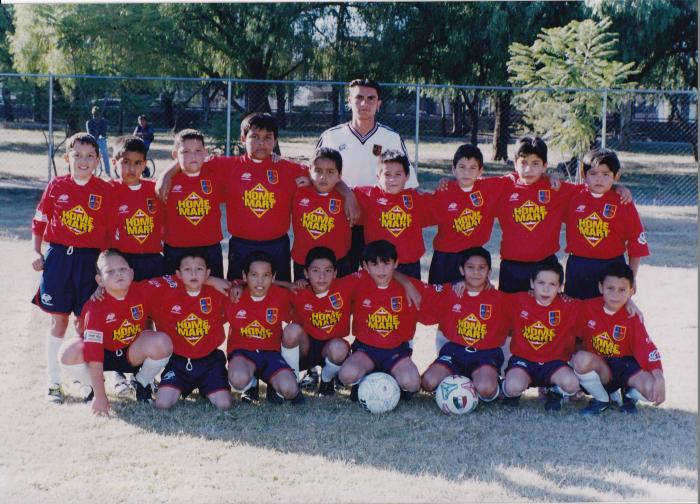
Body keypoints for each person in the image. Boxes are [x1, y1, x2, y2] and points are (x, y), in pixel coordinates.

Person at [31, 132, 112, 403]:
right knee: (59, 320)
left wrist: (103, 267)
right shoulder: (56, 185)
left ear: (99, 159)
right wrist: (35, 251)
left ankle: (83, 381)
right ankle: (53, 383)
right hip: (58, 259)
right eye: (77, 155)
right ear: (67, 158)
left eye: (90, 156)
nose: (83, 161)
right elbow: (40, 221)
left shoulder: (103, 190)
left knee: (84, 321)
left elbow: (109, 232)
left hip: (88, 261)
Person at [316, 78, 417, 272]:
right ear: (349, 100)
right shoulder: (331, 136)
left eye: (371, 98)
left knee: (376, 280)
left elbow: (408, 183)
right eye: (359, 97)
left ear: (379, 104)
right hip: (339, 217)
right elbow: (317, 176)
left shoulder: (391, 138)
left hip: (379, 222)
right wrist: (347, 193)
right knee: (342, 279)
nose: (364, 103)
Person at [58, 250, 172, 415]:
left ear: (132, 273)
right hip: (103, 354)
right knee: (67, 353)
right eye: (109, 271)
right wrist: (100, 396)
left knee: (163, 342)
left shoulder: (144, 289)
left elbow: (176, 280)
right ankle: (91, 388)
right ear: (99, 280)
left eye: (123, 269)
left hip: (132, 353)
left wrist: (210, 281)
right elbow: (94, 355)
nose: (118, 274)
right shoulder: (94, 307)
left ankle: (142, 382)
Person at [338, 240, 430, 401]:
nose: (381, 270)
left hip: (396, 351)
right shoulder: (357, 281)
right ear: (365, 266)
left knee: (413, 383)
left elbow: (442, 295)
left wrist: (468, 285)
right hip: (366, 349)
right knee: (346, 375)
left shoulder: (410, 286)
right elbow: (328, 287)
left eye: (386, 264)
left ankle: (387, 379)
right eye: (374, 264)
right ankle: (364, 380)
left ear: (396, 264)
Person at [572, 263, 664, 415]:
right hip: (601, 366)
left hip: (625, 366)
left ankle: (628, 393)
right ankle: (602, 400)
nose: (615, 295)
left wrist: (660, 378)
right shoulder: (586, 307)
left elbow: (647, 349)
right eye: (610, 288)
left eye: (622, 290)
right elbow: (559, 304)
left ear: (631, 291)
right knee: (580, 359)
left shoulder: (632, 316)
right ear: (601, 287)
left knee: (652, 389)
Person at [420, 247, 509, 404]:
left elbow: (529, 307)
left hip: (485, 354)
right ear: (461, 270)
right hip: (455, 351)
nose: (476, 272)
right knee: (428, 382)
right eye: (470, 267)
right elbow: (421, 291)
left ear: (489, 273)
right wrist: (398, 276)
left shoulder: (500, 299)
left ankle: (492, 382)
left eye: (481, 268)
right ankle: (460, 380)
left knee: (486, 389)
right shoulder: (451, 291)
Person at [148, 254, 232, 411]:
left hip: (209, 361)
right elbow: (135, 288)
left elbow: (246, 285)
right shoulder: (167, 292)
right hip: (178, 362)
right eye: (187, 270)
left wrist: (212, 281)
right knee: (162, 404)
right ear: (178, 274)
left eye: (199, 269)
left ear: (208, 273)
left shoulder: (218, 292)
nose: (193, 274)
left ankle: (208, 385)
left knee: (224, 404)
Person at [564, 148, 649, 299]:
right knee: (575, 314)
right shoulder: (572, 195)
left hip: (612, 266)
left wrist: (632, 276)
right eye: (593, 174)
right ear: (584, 174)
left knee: (608, 315)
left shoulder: (623, 201)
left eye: (605, 174)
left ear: (616, 176)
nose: (599, 179)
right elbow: (544, 182)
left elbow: (636, 242)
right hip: (578, 265)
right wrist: (549, 175)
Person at [226, 251, 304, 404]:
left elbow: (303, 293)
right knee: (238, 380)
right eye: (254, 275)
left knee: (289, 389)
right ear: (244, 276)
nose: (260, 281)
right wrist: (238, 284)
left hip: (271, 353)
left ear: (273, 277)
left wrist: (288, 284)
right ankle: (251, 384)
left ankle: (281, 382)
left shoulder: (281, 296)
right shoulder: (233, 295)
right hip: (243, 353)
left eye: (266, 275)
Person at [501, 261, 581, 411]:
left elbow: (601, 307)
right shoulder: (519, 300)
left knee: (572, 385)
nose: (546, 289)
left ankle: (555, 392)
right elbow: (488, 298)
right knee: (513, 387)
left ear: (560, 287)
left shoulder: (568, 306)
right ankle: (510, 392)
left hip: (554, 363)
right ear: (532, 283)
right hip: (524, 361)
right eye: (541, 283)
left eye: (552, 284)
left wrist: (628, 301)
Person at [426, 145, 509, 285]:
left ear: (480, 170)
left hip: (473, 257)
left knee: (470, 302)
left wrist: (547, 175)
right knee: (439, 300)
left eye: (472, 168)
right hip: (445, 257)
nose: (467, 173)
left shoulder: (488, 188)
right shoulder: (444, 191)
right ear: (453, 169)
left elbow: (519, 177)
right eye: (462, 167)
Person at [284, 247, 355, 396]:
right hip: (305, 348)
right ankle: (292, 381)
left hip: (330, 349)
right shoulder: (299, 291)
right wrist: (289, 285)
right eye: (315, 271)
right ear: (306, 273)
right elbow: (266, 284)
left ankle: (326, 380)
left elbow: (376, 271)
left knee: (339, 347)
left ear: (335, 273)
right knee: (291, 330)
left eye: (328, 271)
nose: (321, 276)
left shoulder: (345, 286)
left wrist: (406, 284)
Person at [353, 150, 430, 280]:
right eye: (387, 174)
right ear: (378, 176)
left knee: (410, 299)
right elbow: (336, 189)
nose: (392, 179)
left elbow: (446, 201)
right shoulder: (367, 195)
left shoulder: (415, 198)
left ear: (407, 176)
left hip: (409, 266)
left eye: (398, 174)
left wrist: (443, 185)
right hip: (378, 266)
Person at [161, 128, 226, 278]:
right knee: (175, 292)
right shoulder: (166, 183)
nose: (193, 156)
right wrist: (166, 174)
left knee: (215, 291)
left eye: (198, 150)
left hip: (209, 247)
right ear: (175, 155)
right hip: (176, 248)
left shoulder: (215, 173)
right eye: (186, 152)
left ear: (205, 153)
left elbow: (247, 161)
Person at [291, 148, 352, 281]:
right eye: (318, 171)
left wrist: (349, 194)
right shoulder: (297, 191)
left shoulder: (348, 198)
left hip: (337, 262)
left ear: (339, 175)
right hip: (303, 262)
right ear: (309, 171)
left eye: (330, 172)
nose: (323, 177)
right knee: (304, 300)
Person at [108, 136, 164, 281]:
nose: (132, 168)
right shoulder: (108, 189)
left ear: (144, 164)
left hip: (152, 259)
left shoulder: (155, 189)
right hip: (122, 260)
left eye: (137, 163)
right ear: (114, 162)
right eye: (126, 162)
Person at [86, 106, 110, 177]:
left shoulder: (103, 121)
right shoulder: (89, 122)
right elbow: (89, 133)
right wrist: (96, 133)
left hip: (101, 140)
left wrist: (98, 131)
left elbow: (104, 132)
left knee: (105, 154)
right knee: (91, 156)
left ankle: (108, 172)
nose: (96, 115)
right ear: (92, 113)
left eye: (97, 113)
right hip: (92, 140)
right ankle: (91, 171)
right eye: (95, 113)